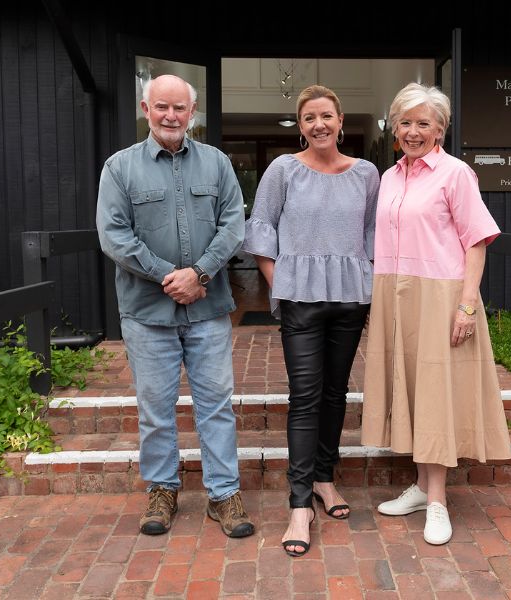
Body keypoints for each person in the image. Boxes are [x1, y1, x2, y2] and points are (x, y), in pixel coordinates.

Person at [96, 74, 254, 539]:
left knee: (216, 405)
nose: (171, 116)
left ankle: (224, 494)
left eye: (179, 108)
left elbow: (234, 224)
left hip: (208, 310)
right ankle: (162, 490)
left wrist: (200, 274)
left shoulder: (218, 164)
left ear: (193, 110)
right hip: (148, 313)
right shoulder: (119, 169)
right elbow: (114, 235)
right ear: (146, 108)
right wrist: (171, 276)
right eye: (161, 107)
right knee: (155, 408)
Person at [361, 83, 511, 546]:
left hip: (441, 295)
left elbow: (476, 242)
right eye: (404, 122)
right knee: (410, 387)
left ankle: (439, 501)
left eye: (423, 123)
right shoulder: (389, 178)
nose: (412, 131)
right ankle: (422, 486)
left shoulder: (456, 174)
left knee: (435, 394)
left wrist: (467, 304)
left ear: (440, 129)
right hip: (395, 292)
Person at [243, 85, 379, 556]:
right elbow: (261, 231)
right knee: (305, 396)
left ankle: (324, 479)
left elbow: (373, 235)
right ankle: (299, 503)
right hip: (301, 299)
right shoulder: (283, 170)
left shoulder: (366, 173)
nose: (318, 124)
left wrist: (370, 286)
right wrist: (281, 283)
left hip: (349, 298)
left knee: (335, 393)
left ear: (341, 120)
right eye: (308, 118)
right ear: (300, 126)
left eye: (326, 115)